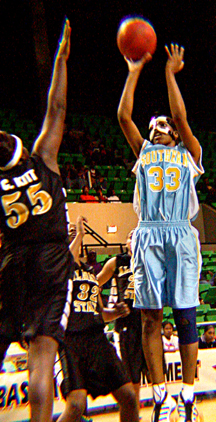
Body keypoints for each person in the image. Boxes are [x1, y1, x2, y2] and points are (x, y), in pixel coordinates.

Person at [117, 43, 204, 422]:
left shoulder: (190, 153)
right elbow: (123, 115)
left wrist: (169, 73)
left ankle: (188, 394)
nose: (159, 126)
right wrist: (134, 69)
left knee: (185, 316)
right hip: (150, 235)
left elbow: (182, 117)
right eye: (154, 125)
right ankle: (161, 395)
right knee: (150, 318)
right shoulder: (144, 152)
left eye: (165, 123)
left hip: (181, 235)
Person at [0, 19, 73, 422]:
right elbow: (57, 107)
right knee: (41, 363)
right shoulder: (43, 157)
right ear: (23, 149)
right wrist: (61, 58)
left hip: (12, 263)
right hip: (49, 260)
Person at [56, 216, 139, 422]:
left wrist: (116, 313)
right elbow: (68, 258)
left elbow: (99, 312)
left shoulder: (89, 272)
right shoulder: (59, 266)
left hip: (97, 339)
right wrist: (80, 234)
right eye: (71, 235)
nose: (75, 237)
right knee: (76, 405)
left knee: (128, 396)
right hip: (71, 340)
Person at [97, 230, 149, 416]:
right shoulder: (116, 262)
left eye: (136, 236)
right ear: (126, 242)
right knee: (131, 375)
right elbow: (94, 284)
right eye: (129, 236)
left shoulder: (151, 259)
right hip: (126, 323)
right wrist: (105, 310)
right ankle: (132, 414)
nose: (132, 239)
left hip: (148, 322)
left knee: (151, 372)